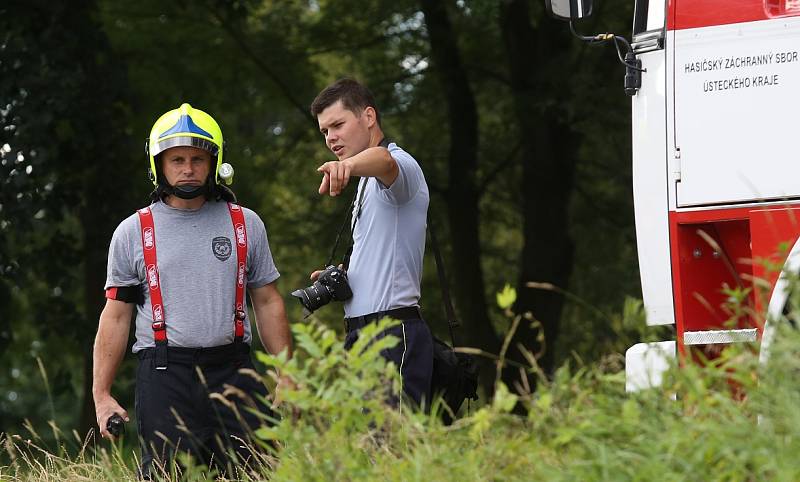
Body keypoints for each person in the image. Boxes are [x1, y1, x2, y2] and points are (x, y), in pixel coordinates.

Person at [92, 103, 292, 477]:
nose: (188, 169)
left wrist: (286, 373)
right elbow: (116, 315)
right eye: (177, 159)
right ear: (159, 164)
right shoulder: (133, 231)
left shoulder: (245, 223)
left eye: (198, 159)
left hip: (235, 370)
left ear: (214, 163)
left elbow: (266, 300)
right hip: (165, 374)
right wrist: (101, 395)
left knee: (258, 472)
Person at [309, 78, 434, 408]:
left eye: (337, 124)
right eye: (324, 131)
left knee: (392, 449)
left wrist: (345, 167)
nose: (331, 138)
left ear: (368, 117)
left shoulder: (399, 165)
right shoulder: (366, 184)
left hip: (392, 333)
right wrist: (344, 276)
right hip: (362, 336)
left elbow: (386, 162)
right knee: (367, 453)